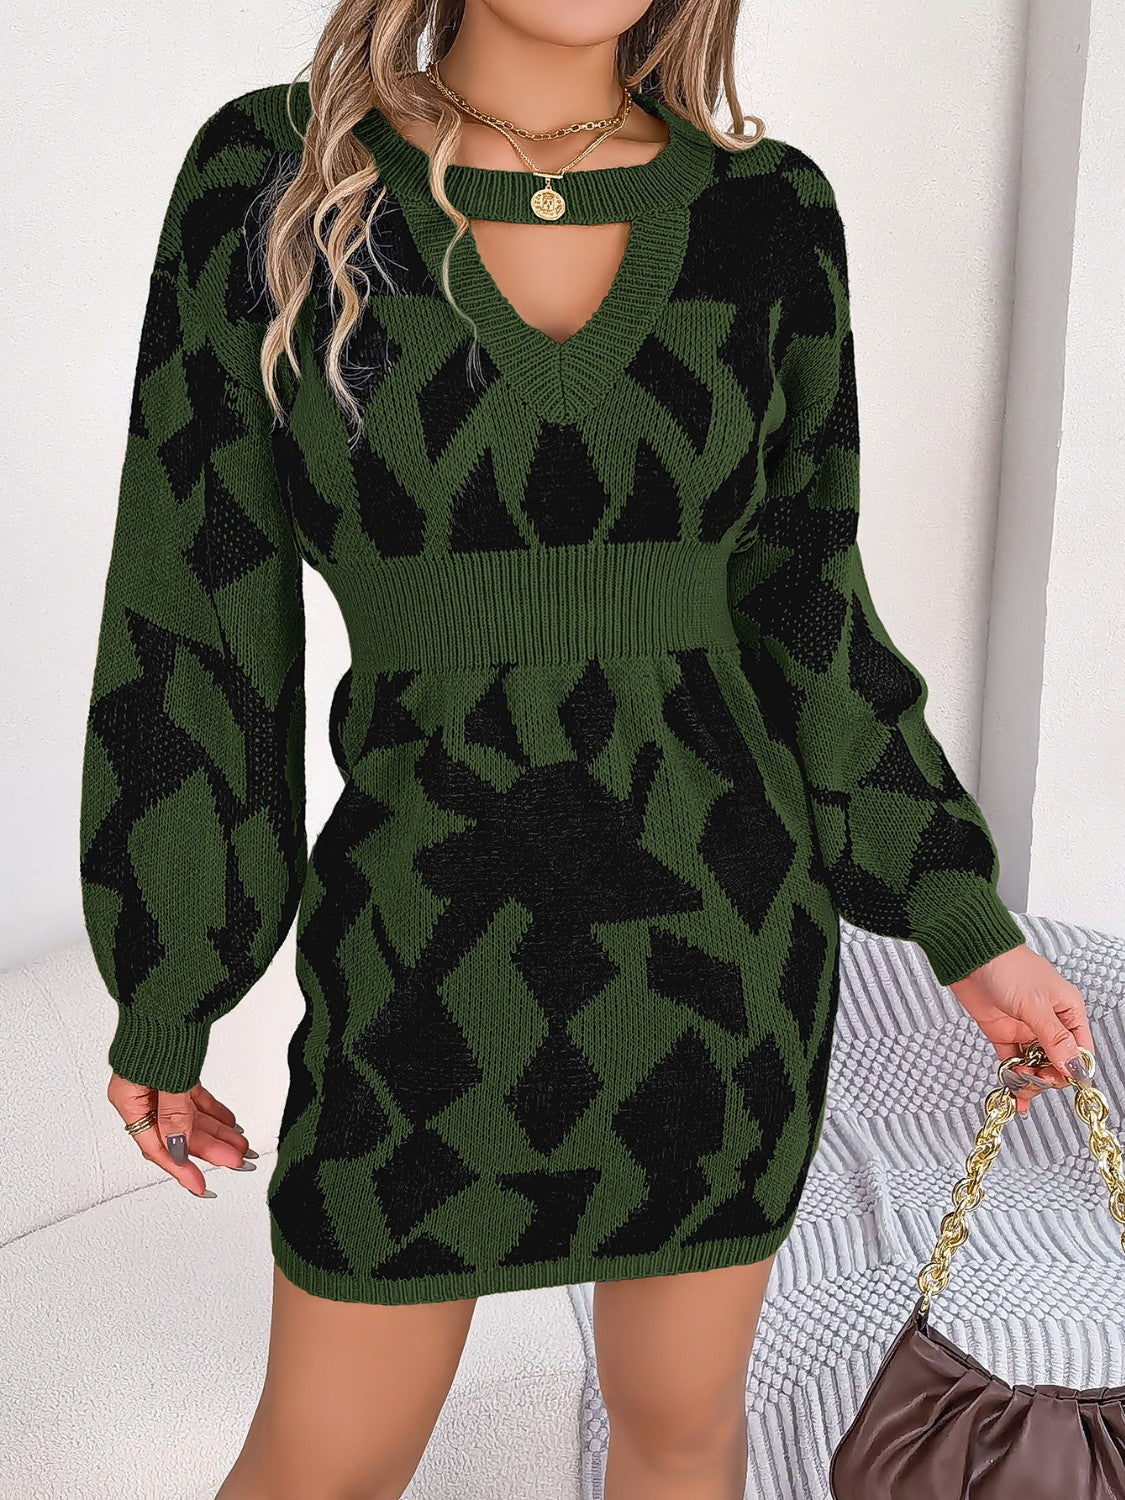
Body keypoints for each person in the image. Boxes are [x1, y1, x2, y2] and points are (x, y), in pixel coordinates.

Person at [78, 2, 1097, 1497]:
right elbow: (192, 606)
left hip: (721, 960)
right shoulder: (276, 179)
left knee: (679, 1434)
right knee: (320, 1464)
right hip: (424, 956)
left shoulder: (766, 214)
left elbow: (807, 603)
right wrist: (170, 985)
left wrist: (960, 919)